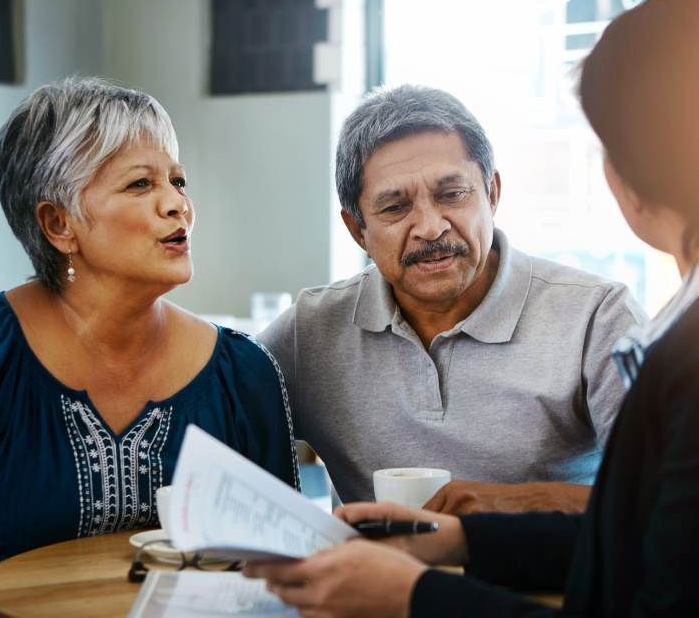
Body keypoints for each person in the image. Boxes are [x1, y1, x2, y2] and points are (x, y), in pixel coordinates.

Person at [244, 0, 699, 617]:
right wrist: (463, 541)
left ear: (633, 175)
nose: (432, 226)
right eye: (395, 206)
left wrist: (412, 596)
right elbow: (674, 546)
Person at [0, 77, 300, 613]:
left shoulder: (244, 374)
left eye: (178, 180)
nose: (178, 205)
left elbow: (285, 579)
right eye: (140, 185)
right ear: (58, 224)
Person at [259, 84, 645, 514]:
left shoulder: (598, 316)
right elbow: (199, 418)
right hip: (375, 581)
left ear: (492, 194)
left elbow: (666, 501)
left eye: (451, 194)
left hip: (547, 581)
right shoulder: (310, 332)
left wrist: (516, 503)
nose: (430, 227)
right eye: (394, 207)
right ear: (358, 231)